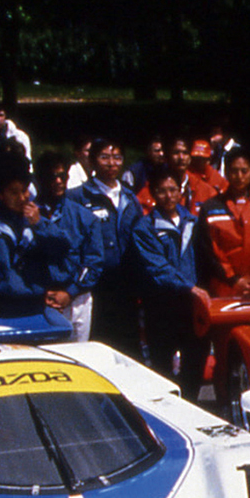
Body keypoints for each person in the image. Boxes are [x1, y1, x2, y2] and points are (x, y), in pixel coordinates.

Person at [134, 166, 209, 388]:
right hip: (161, 308)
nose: (168, 196)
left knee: (195, 363)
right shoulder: (144, 228)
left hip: (191, 308)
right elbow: (157, 267)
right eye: (162, 191)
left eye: (173, 190)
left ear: (180, 191)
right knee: (161, 369)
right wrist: (188, 287)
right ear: (153, 193)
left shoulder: (192, 221)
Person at [72, 140, 147, 350]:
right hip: (95, 285)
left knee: (129, 345)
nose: (111, 163)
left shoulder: (130, 196)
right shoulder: (78, 196)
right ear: (92, 161)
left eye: (117, 158)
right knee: (99, 343)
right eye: (104, 157)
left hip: (126, 284)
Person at [0, 165, 72, 318]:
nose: (22, 198)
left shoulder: (36, 219)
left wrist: (39, 225)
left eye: (24, 191)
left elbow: (63, 248)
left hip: (36, 303)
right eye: (14, 193)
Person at [33, 151, 103, 341]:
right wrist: (40, 292)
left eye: (62, 176)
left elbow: (93, 262)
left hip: (77, 299)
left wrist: (70, 292)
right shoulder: (26, 215)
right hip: (41, 299)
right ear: (39, 179)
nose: (58, 181)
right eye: (52, 176)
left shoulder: (85, 217)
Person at [194, 147, 250, 299]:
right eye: (234, 171)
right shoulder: (211, 207)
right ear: (227, 173)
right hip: (225, 288)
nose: (239, 176)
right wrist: (233, 280)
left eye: (244, 171)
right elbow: (209, 251)